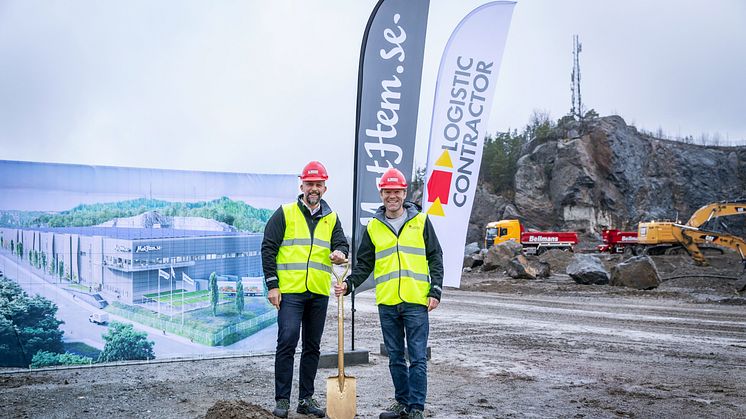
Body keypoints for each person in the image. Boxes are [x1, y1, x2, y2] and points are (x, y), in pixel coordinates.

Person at [334, 167, 443, 419]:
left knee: (416, 357)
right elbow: (364, 265)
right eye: (387, 192)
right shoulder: (373, 227)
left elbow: (435, 256)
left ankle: (416, 408)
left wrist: (435, 289)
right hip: (387, 301)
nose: (392, 196)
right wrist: (349, 285)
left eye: (396, 191)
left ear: (404, 193)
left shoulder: (421, 221)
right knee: (395, 356)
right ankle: (402, 403)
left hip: (416, 300)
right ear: (381, 194)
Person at [262, 160, 348, 418]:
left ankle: (306, 400)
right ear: (302, 185)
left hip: (318, 292)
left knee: (312, 346)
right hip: (291, 291)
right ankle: (282, 400)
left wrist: (340, 253)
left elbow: (342, 244)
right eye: (309, 184)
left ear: (324, 187)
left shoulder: (331, 217)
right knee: (287, 341)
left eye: (318, 184)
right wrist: (272, 284)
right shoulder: (285, 212)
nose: (314, 188)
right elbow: (268, 247)